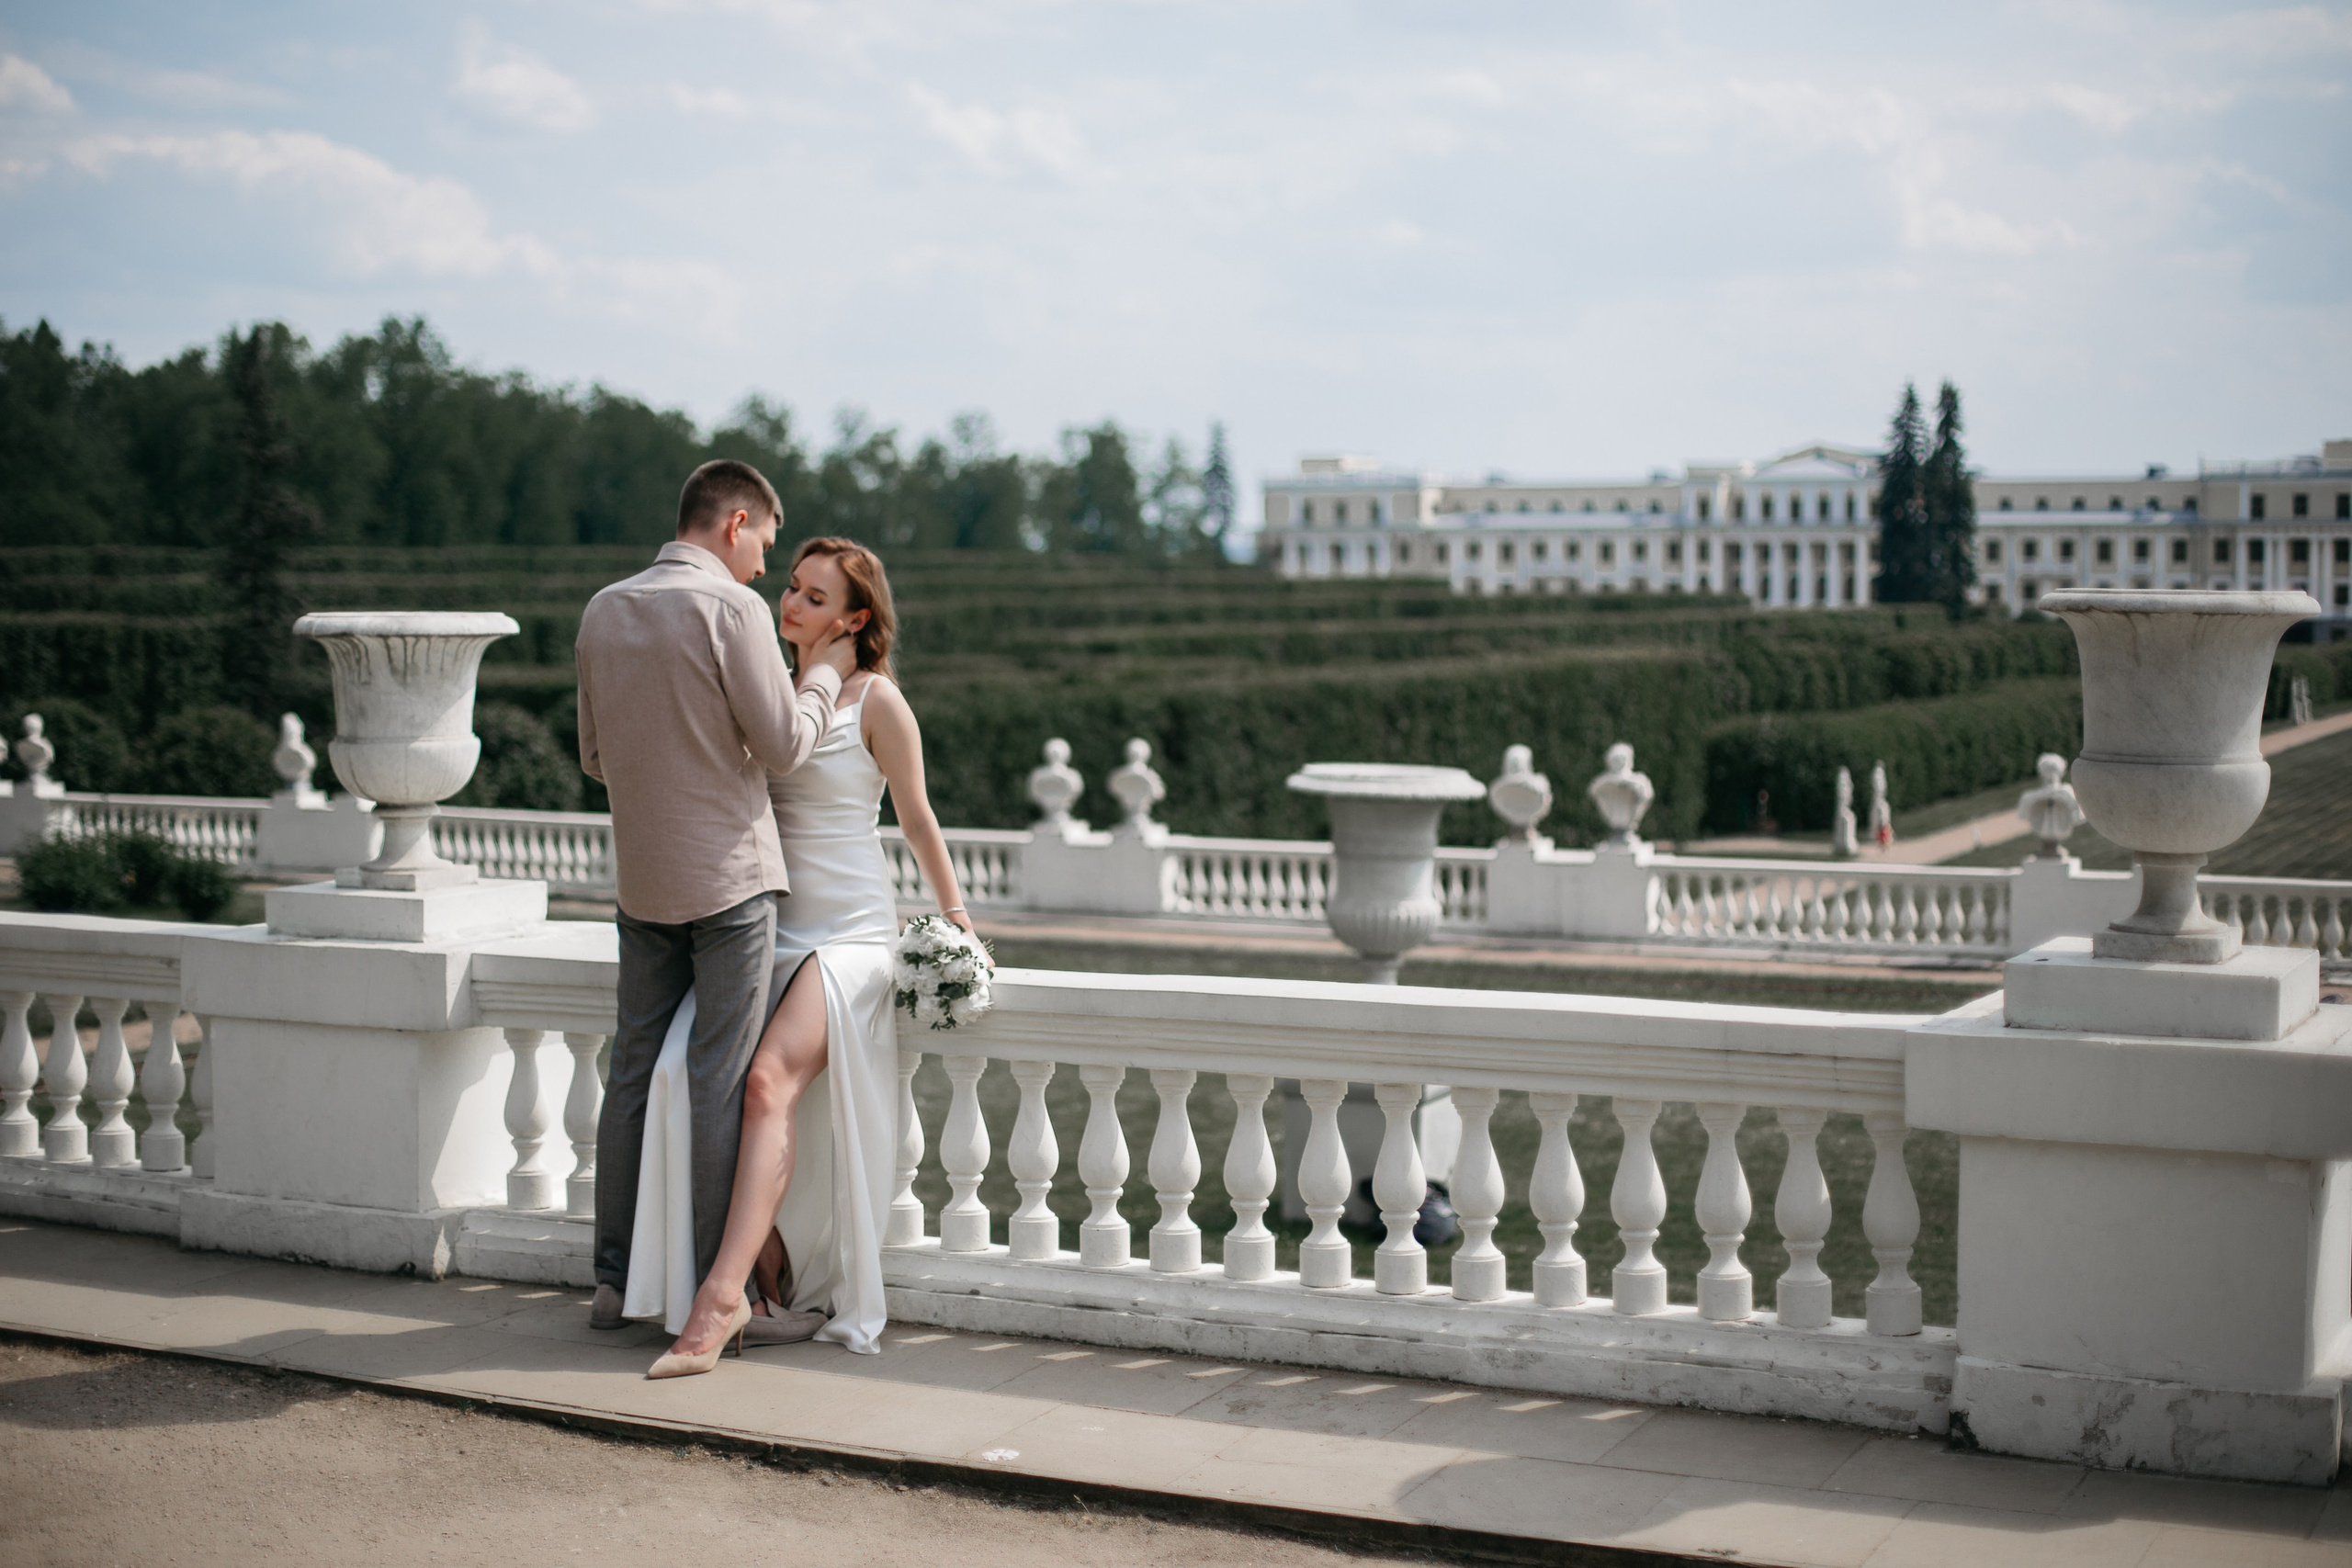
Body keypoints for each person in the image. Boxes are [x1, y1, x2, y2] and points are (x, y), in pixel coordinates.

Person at [629, 536, 974, 1377]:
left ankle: (720, 1301)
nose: (792, 603)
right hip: (769, 930)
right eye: (791, 587)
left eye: (816, 597)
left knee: (765, 1082)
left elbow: (918, 818)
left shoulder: (875, 700)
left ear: (857, 618)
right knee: (679, 1069)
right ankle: (767, 1270)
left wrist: (956, 919)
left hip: (850, 934)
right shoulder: (771, 693)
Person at [574, 461, 856, 1361]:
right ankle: (714, 1292)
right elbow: (781, 748)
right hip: (730, 886)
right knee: (720, 1083)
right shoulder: (730, 612)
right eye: (767, 542)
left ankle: (614, 1279)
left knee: (630, 1074)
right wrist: (818, 678)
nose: (765, 567)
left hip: (641, 884)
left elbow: (592, 755)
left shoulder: (603, 609)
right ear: (736, 521)